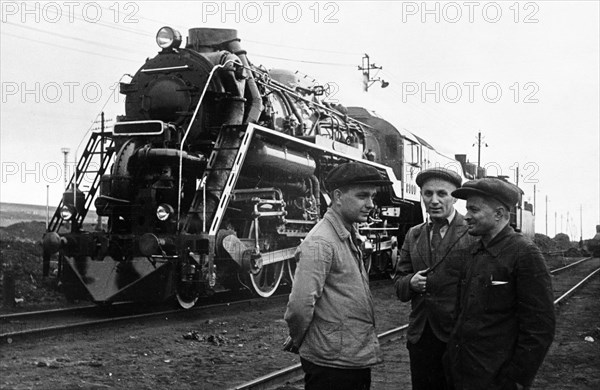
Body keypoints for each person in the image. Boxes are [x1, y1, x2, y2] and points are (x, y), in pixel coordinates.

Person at [283, 162, 390, 390]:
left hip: (348, 355)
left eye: (372, 196)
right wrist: (301, 339)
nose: (370, 204)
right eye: (362, 196)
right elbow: (299, 307)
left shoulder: (343, 233)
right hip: (333, 361)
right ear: (338, 196)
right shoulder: (322, 242)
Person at [446, 177, 555, 390]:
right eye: (467, 209)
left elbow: (540, 328)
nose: (466, 216)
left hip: (497, 379)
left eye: (474, 210)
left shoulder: (525, 254)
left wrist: (516, 379)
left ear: (499, 214)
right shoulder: (473, 252)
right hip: (462, 372)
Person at [394, 167, 474, 390]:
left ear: (455, 197)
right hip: (421, 338)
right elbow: (399, 283)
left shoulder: (471, 232)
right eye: (428, 194)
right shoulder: (414, 234)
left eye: (442, 194)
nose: (434, 200)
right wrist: (410, 283)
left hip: (458, 338)